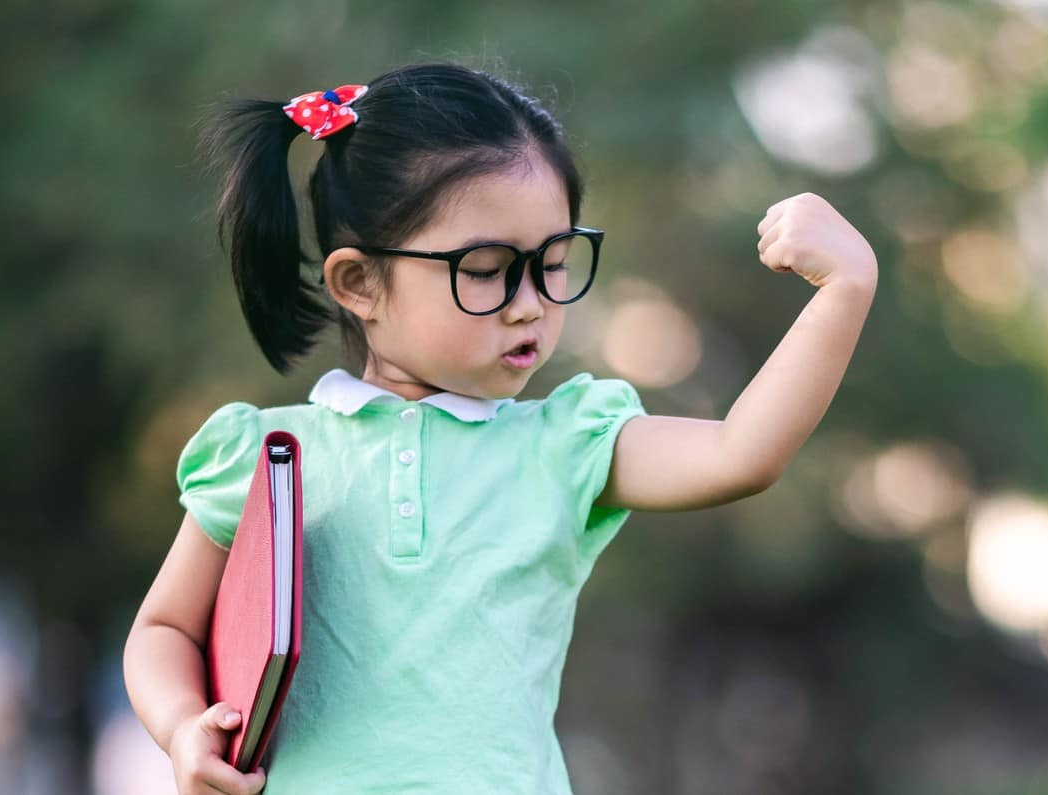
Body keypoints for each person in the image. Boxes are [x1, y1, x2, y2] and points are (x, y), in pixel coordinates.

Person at [122, 59, 877, 794]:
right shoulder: (268, 455)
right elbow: (164, 631)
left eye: (552, 259)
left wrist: (844, 289)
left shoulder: (564, 445)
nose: (530, 303)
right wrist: (184, 725)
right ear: (359, 282)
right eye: (485, 267)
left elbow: (740, 452)